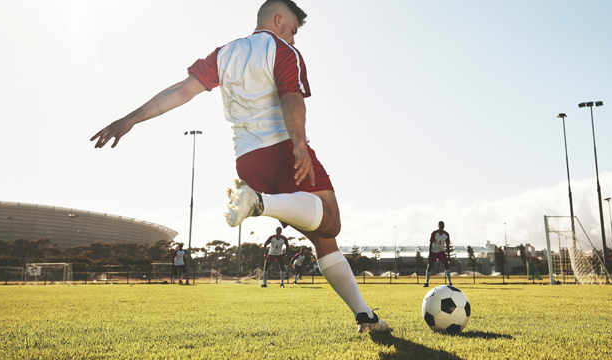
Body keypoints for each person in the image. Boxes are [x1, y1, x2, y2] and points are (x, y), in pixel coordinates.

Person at [90, 0, 389, 333]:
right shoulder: (282, 50)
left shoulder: (225, 53)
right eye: (292, 30)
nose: (293, 38)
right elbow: (291, 96)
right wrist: (300, 145)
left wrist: (129, 120)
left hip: (247, 161)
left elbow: (181, 91)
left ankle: (366, 317)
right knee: (330, 221)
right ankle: (258, 203)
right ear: (278, 21)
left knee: (322, 238)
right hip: (281, 150)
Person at [424, 221, 452, 287]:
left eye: (442, 226)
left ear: (444, 227)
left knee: (446, 265)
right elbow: (431, 243)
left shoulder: (446, 234)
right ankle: (426, 283)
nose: (441, 227)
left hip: (441, 251)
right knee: (430, 266)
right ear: (438, 226)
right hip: (434, 251)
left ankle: (450, 283)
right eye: (440, 226)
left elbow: (447, 245)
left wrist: (448, 255)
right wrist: (430, 253)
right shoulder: (434, 233)